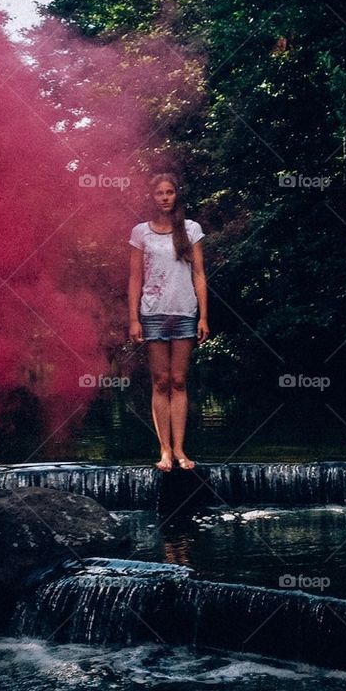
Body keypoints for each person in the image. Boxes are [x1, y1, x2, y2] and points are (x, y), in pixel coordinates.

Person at [128, 173, 209, 471]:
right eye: (159, 193)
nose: (164, 197)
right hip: (153, 313)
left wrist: (203, 315)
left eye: (169, 192)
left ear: (176, 195)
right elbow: (135, 277)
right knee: (160, 382)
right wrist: (133, 318)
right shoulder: (140, 233)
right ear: (152, 197)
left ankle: (180, 450)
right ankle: (164, 451)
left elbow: (199, 274)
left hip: (185, 312)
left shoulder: (191, 229)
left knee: (179, 380)